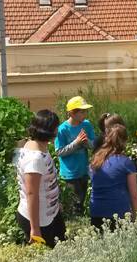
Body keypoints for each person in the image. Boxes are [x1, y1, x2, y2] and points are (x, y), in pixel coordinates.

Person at [14, 109, 66, 247]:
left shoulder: (38, 146)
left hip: (50, 213)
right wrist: (35, 229)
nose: (57, 131)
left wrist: (55, 203)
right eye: (56, 128)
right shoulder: (34, 159)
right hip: (40, 221)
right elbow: (32, 194)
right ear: (50, 131)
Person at [89, 123, 137, 232]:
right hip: (118, 214)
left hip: (96, 212)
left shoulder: (95, 159)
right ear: (125, 141)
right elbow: (134, 195)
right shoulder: (126, 162)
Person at [55, 96, 96, 216]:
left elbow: (93, 145)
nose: (85, 114)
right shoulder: (62, 129)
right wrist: (76, 143)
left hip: (83, 169)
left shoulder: (87, 125)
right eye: (82, 111)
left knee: (82, 198)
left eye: (86, 111)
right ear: (72, 113)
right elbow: (59, 151)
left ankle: (81, 220)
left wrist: (86, 142)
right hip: (70, 172)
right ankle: (75, 222)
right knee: (75, 203)